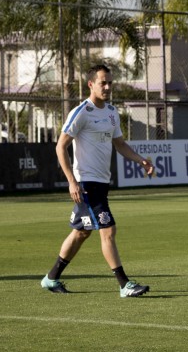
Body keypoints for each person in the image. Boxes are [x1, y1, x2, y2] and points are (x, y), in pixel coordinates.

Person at [41, 64, 154, 298]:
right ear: (91, 84)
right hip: (86, 183)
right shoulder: (81, 112)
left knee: (81, 233)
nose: (108, 86)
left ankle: (51, 279)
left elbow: (120, 144)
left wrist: (140, 160)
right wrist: (72, 181)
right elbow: (60, 147)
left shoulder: (112, 112)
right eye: (103, 82)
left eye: (110, 82)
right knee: (108, 230)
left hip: (101, 183)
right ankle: (124, 284)